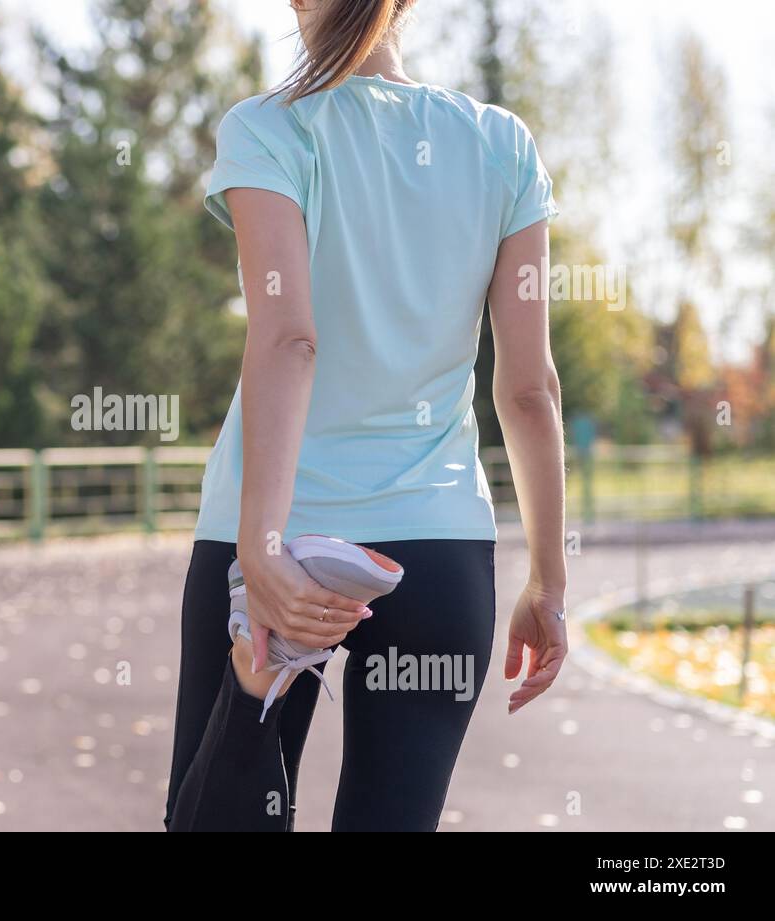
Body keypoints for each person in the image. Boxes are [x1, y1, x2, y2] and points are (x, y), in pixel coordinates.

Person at [165, 0, 569, 832]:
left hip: (280, 535)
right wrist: (548, 582)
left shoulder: (269, 130)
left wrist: (261, 549)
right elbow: (529, 390)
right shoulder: (501, 144)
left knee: (218, 815)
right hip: (437, 551)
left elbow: (289, 340)